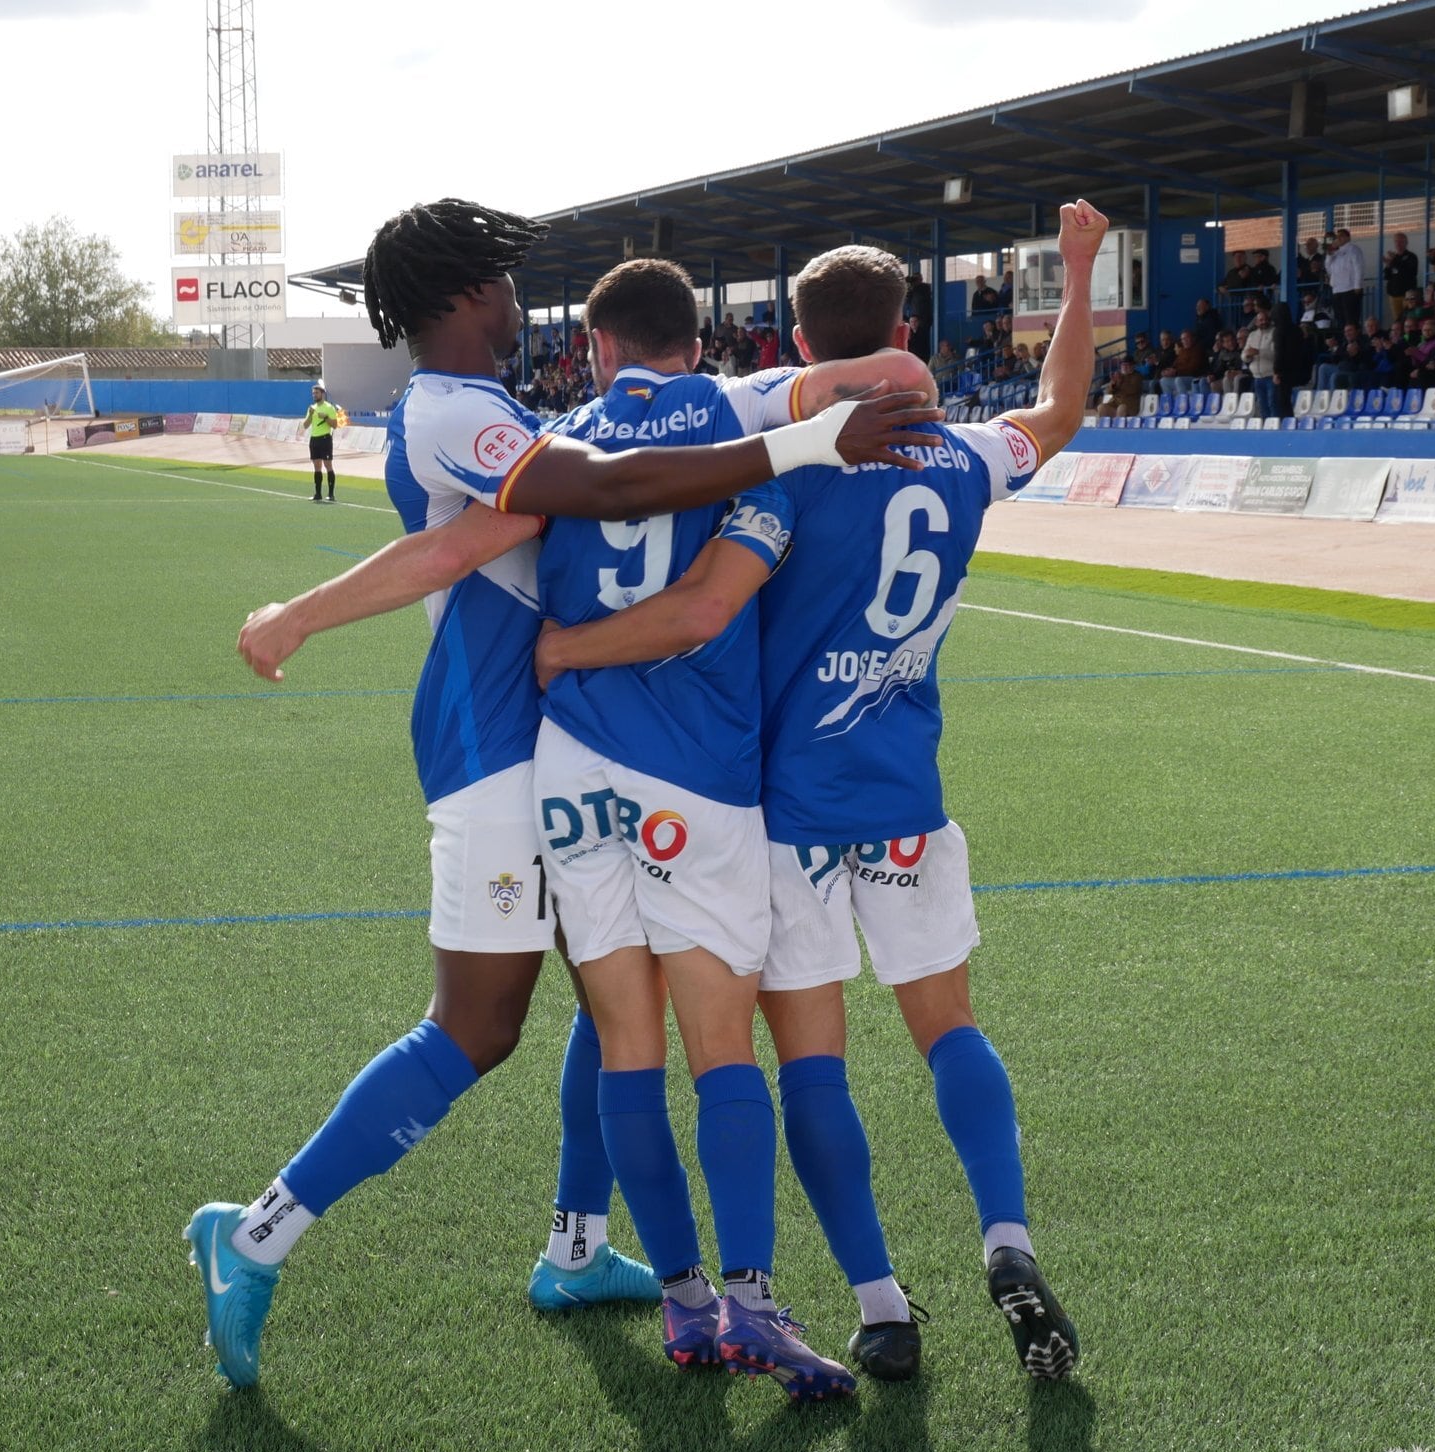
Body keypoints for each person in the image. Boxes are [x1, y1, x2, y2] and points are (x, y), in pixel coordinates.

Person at [186, 198, 941, 1390]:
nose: (512, 299)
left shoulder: (495, 409)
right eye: (496, 278)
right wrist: (801, 439)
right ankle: (252, 1232)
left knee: (613, 984)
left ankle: (577, 1244)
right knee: (477, 1024)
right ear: (458, 294)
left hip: (554, 742)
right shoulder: (450, 408)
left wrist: (304, 612)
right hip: (493, 747)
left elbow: (462, 544)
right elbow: (591, 489)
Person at [537, 204, 1107, 1387]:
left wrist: (556, 651)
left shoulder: (796, 471)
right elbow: (1056, 411)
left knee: (811, 1066)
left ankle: (880, 1303)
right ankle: (1005, 1235)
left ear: (795, 346)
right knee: (949, 1026)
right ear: (903, 328)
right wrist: (1083, 268)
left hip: (785, 810)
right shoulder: (961, 460)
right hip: (902, 791)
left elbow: (700, 604)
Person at [531, 257, 855, 1400]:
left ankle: (680, 1300)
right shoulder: (738, 412)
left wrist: (562, 650)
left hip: (569, 763)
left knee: (628, 1044)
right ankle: (753, 1303)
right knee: (723, 1050)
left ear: (600, 347)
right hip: (697, 775)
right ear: (694, 339)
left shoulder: (557, 435)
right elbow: (712, 602)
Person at [302, 382, 343, 501]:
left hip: (325, 438)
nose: (314, 395)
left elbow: (335, 425)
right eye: (313, 393)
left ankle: (331, 494)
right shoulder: (311, 408)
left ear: (322, 394)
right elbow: (305, 425)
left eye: (316, 393)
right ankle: (318, 494)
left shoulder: (329, 407)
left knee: (328, 465)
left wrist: (325, 417)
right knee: (317, 466)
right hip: (314, 439)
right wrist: (310, 415)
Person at [1324, 228, 1365, 329]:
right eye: (1337, 237)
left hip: (1350, 289)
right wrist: (1330, 253)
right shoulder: (1336, 252)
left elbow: (1358, 267)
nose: (1339, 238)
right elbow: (1328, 269)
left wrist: (1357, 285)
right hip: (1337, 289)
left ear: (1348, 237)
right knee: (1340, 318)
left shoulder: (1353, 249)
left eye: (1341, 236)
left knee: (1351, 319)